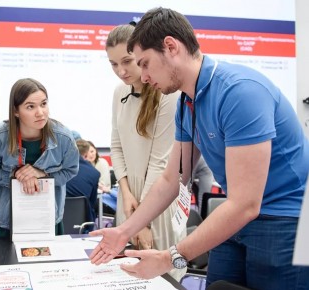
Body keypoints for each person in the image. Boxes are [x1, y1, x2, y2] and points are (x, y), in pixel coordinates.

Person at [90, 8, 309, 290]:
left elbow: (245, 204)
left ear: (171, 47)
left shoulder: (239, 92)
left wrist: (169, 257)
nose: (142, 77)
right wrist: (124, 230)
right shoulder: (187, 103)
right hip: (235, 219)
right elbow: (172, 179)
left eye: (144, 64)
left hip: (283, 221)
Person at [104, 23, 185, 280]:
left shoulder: (168, 94)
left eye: (127, 61)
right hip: (128, 203)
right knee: (127, 275)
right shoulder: (119, 93)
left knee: (164, 276)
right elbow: (116, 146)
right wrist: (125, 192)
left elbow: (160, 162)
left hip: (157, 200)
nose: (121, 71)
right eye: (114, 64)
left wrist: (143, 221)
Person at [0, 78, 79, 238]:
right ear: (15, 111)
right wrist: (17, 177)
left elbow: (71, 171)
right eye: (30, 106)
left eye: (44, 104)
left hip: (47, 218)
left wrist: (43, 175)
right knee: (6, 262)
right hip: (6, 220)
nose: (40, 112)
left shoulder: (64, 137)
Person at [66, 139, 101, 226]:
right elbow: (92, 202)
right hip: (82, 224)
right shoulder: (94, 173)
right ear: (86, 155)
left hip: (57, 222)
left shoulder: (59, 167)